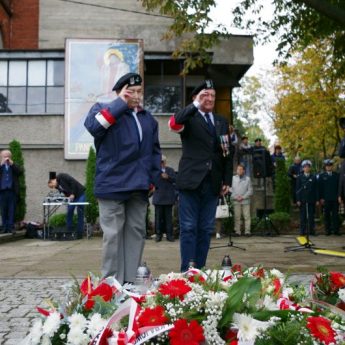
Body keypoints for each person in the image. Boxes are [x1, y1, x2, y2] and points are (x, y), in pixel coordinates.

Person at [84, 72, 161, 284]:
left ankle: (131, 282)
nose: (136, 96)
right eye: (131, 92)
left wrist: (152, 179)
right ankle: (111, 284)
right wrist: (121, 104)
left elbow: (154, 152)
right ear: (119, 93)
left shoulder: (148, 119)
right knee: (113, 237)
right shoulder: (104, 109)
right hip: (112, 185)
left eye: (139, 92)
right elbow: (94, 127)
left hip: (139, 187)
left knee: (136, 233)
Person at [168, 79, 233, 272]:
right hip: (190, 182)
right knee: (188, 228)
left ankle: (201, 270)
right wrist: (196, 104)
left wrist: (227, 180)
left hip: (212, 183)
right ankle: (187, 271)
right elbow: (174, 123)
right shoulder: (189, 118)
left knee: (205, 230)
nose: (210, 98)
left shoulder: (221, 121)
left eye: (212, 95)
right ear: (195, 98)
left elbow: (227, 153)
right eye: (205, 95)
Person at [48, 172, 86, 239]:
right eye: (52, 187)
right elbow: (65, 192)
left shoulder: (62, 176)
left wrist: (73, 194)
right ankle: (69, 232)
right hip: (72, 197)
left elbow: (73, 182)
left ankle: (80, 234)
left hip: (80, 193)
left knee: (80, 211)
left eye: (52, 185)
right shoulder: (57, 186)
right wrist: (66, 197)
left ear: (52, 180)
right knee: (69, 211)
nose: (53, 187)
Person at [152, 155, 176, 242]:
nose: (161, 163)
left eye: (162, 161)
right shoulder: (155, 171)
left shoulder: (170, 170)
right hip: (158, 198)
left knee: (168, 219)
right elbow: (152, 181)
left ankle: (169, 235)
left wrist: (168, 177)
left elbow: (175, 180)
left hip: (168, 198)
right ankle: (158, 235)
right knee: (158, 218)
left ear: (165, 162)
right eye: (160, 162)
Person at [0, 149, 22, 234]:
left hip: (12, 191)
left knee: (11, 209)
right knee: (3, 209)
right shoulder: (1, 165)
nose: (6, 158)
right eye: (4, 156)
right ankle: (4, 227)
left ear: (10, 157)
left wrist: (12, 164)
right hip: (2, 191)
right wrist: (1, 164)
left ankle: (11, 227)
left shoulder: (14, 165)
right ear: (1, 157)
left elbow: (20, 172)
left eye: (8, 156)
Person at [296, 160, 318, 236]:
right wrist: (298, 199)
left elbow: (316, 189)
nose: (307, 168)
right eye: (305, 167)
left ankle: (312, 231)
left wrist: (317, 199)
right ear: (303, 168)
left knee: (311, 216)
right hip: (302, 199)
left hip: (311, 199)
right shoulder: (299, 177)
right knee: (303, 216)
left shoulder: (313, 177)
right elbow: (297, 189)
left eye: (308, 167)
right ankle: (302, 231)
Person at [318, 159, 340, 236]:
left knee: (335, 215)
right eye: (327, 166)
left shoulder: (336, 175)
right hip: (326, 199)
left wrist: (339, 196)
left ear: (332, 166)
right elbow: (320, 188)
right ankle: (328, 230)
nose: (329, 167)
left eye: (330, 166)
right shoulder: (321, 176)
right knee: (326, 215)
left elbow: (339, 187)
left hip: (335, 199)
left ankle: (336, 230)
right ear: (325, 167)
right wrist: (321, 198)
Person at [231, 164, 253, 236]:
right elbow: (230, 189)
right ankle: (237, 232)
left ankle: (247, 232)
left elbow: (250, 191)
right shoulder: (233, 178)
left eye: (240, 169)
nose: (239, 171)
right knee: (237, 217)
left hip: (245, 201)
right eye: (238, 169)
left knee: (246, 216)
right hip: (236, 200)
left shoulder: (248, 179)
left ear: (243, 170)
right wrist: (236, 197)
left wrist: (243, 197)